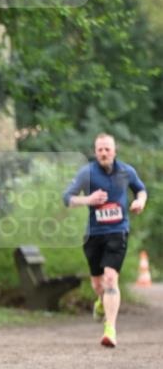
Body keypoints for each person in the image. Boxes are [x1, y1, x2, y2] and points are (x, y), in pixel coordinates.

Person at [63, 133, 147, 348]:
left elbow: (141, 190)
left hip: (118, 231)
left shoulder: (126, 171)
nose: (103, 153)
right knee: (97, 283)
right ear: (95, 151)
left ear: (114, 151)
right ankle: (101, 301)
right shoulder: (87, 173)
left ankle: (110, 329)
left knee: (110, 278)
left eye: (107, 149)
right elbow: (67, 198)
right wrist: (88, 199)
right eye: (99, 149)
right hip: (94, 234)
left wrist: (140, 202)